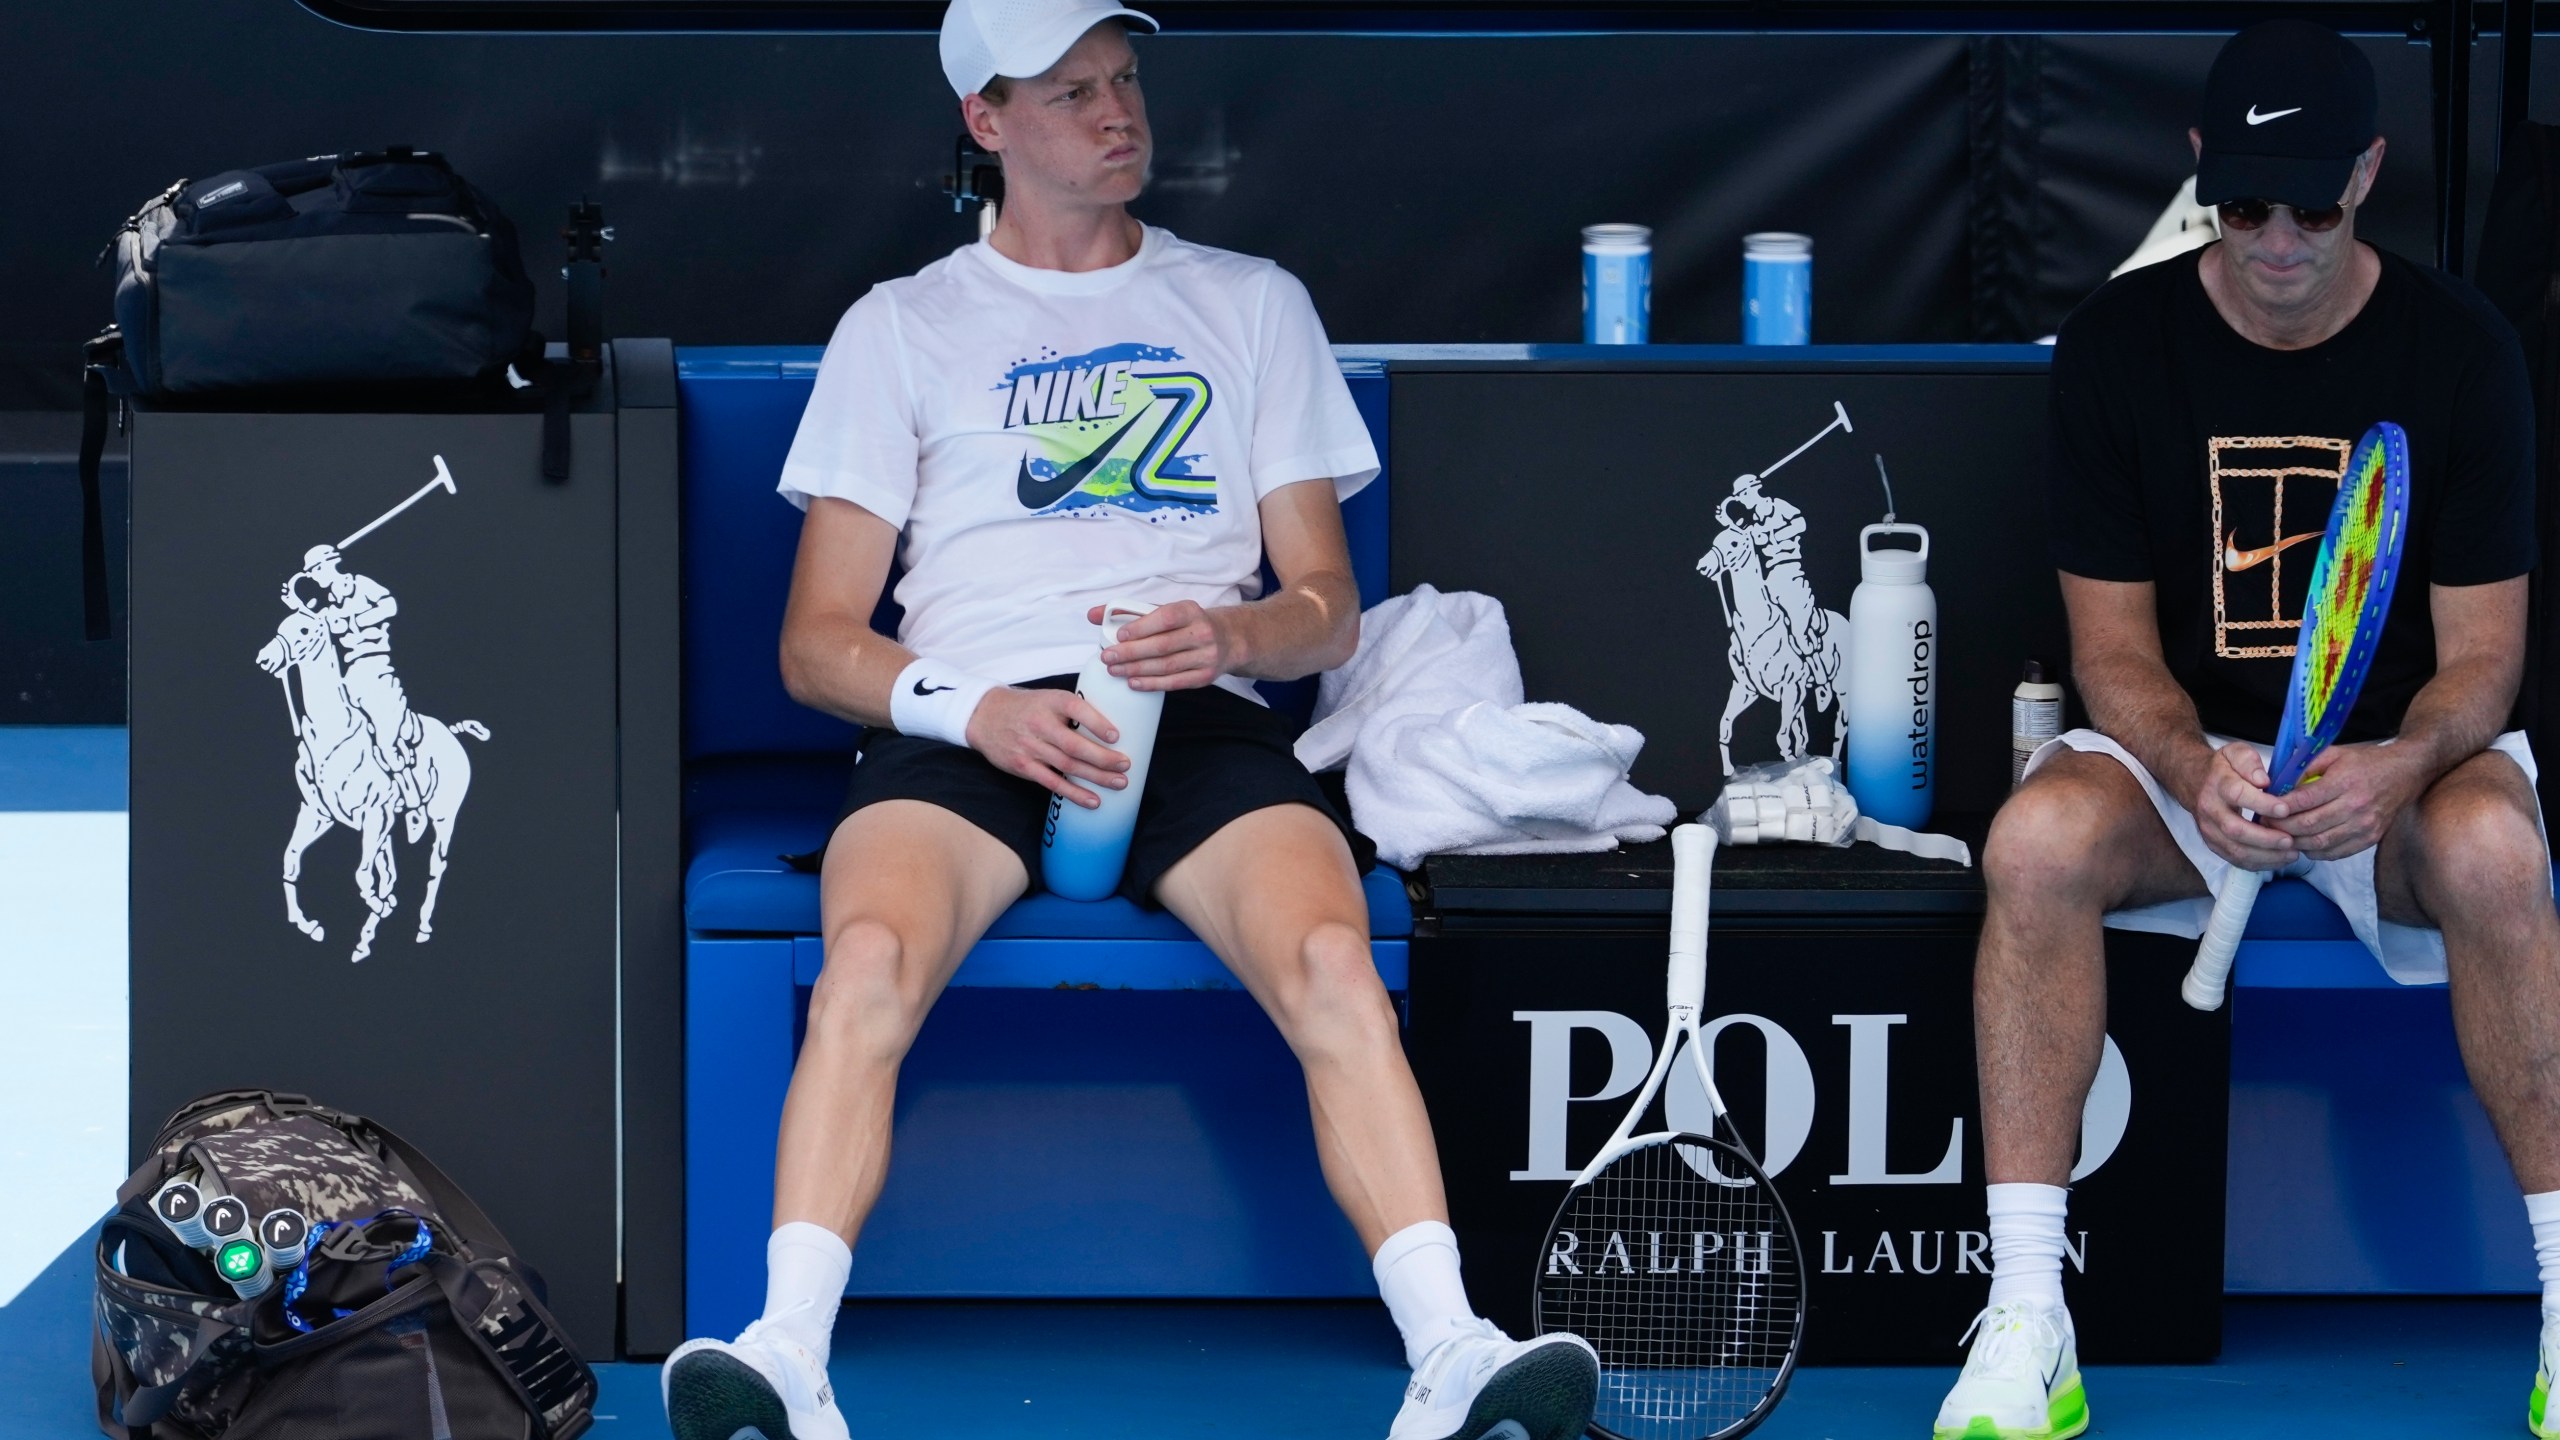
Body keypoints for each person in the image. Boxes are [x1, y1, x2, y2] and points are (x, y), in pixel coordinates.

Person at [656, 4, 1601, 1439]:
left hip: (1196, 715)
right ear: (988, 123)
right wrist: (977, 711)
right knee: (866, 961)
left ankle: (1455, 1351)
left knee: (1336, 960)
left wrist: (1232, 632)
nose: (1118, 113)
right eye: (1072, 92)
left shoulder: (1251, 301)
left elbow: (1328, 607)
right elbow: (817, 646)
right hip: (969, 721)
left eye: (1126, 81)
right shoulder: (903, 324)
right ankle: (787, 1357)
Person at [1933, 20, 2559, 1440]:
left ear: (2373, 174)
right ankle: (2031, 1321)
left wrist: (2397, 762)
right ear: (2203, 169)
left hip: (2391, 773)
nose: (2280, 239)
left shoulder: (2463, 353)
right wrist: (2186, 769)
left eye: (2317, 208)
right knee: (2031, 847)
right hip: (2185, 771)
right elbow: (2110, 651)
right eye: (2248, 205)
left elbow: (2485, 667)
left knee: (2501, 863)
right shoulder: (2113, 346)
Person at [285, 543, 420, 810]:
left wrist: (354, 621)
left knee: (384, 734)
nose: (313, 577)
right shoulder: (326, 605)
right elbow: (311, 627)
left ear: (327, 565)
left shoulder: (360, 585)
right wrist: (295, 603)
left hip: (377, 666)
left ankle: (409, 789)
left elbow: (390, 605)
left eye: (314, 571)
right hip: (349, 675)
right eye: (310, 573)